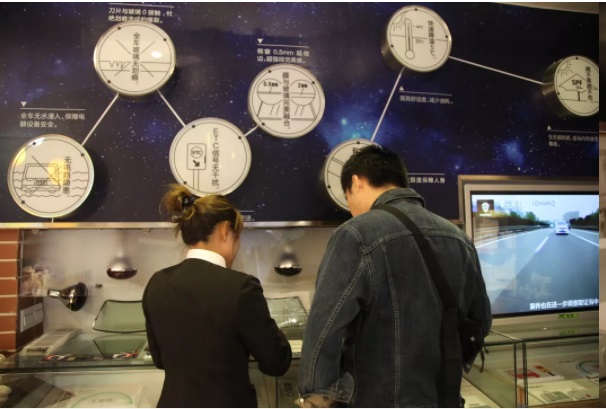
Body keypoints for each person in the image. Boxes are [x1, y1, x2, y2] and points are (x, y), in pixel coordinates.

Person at [297, 145, 491, 407]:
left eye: (347, 196)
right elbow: (481, 321)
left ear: (357, 181)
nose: (350, 208)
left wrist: (318, 397)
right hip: (443, 398)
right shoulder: (458, 238)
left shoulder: (356, 234)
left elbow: (323, 330)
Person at [143, 184, 292, 408]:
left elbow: (160, 360)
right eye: (237, 237)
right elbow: (276, 363)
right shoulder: (241, 287)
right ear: (225, 230)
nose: (237, 247)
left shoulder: (157, 282)